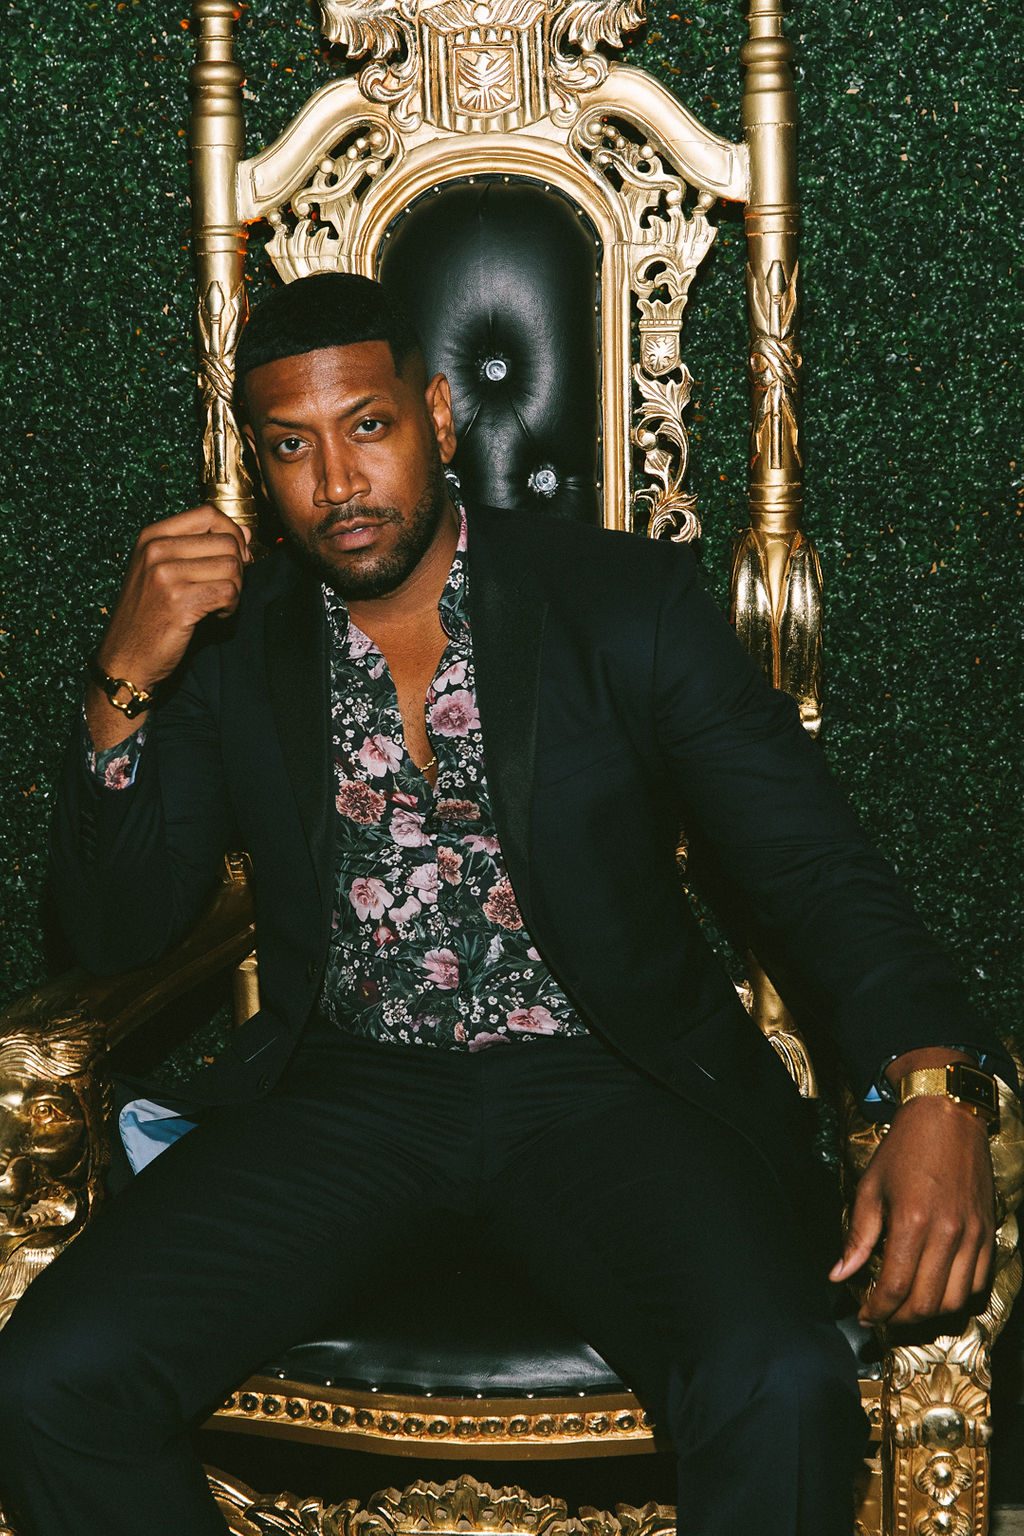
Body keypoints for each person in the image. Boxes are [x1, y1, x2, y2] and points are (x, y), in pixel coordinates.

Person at [0, 273, 1010, 1536]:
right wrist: (121, 683)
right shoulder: (232, 642)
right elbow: (115, 934)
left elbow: (811, 865)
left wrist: (932, 1079)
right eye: (292, 448)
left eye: (368, 426)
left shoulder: (620, 600)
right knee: (51, 1382)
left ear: (435, 414)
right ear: (260, 466)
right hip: (349, 1094)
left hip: (608, 1087)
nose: (338, 482)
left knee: (777, 1383)